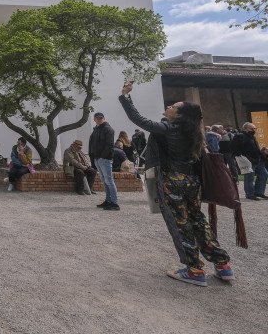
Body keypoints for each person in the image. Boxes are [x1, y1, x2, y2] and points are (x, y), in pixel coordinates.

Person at [118, 82, 233, 287]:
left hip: (174, 180)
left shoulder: (169, 128)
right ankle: (222, 264)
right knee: (198, 220)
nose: (169, 106)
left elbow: (138, 119)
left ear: (179, 115)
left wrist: (125, 96)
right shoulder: (194, 131)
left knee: (181, 223)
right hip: (192, 181)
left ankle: (194, 269)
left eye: (174, 106)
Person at [89, 112, 119, 210]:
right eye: (97, 118)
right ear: (94, 119)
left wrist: (102, 157)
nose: (99, 119)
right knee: (105, 181)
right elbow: (92, 144)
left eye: (101, 118)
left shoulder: (108, 129)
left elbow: (110, 145)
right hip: (98, 158)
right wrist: (93, 158)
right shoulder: (96, 129)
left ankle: (114, 203)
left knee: (109, 181)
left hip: (104, 159)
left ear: (104, 118)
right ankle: (108, 200)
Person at [231, 122, 268, 200]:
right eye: (252, 128)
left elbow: (255, 148)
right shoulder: (239, 136)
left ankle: (259, 192)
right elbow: (234, 148)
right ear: (245, 129)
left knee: (264, 174)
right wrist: (244, 158)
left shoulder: (252, 136)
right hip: (248, 160)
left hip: (258, 159)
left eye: (255, 128)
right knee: (249, 177)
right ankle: (250, 194)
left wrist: (262, 154)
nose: (254, 130)